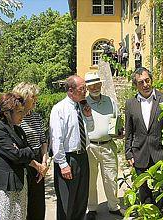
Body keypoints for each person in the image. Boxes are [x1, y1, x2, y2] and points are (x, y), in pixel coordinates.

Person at [125, 67, 163, 204]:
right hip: (140, 153)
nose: (145, 85)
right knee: (144, 193)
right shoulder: (130, 104)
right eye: (141, 82)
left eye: (147, 80)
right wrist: (128, 153)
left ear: (152, 80)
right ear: (135, 85)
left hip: (161, 153)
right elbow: (129, 131)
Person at [0, 93, 46, 220]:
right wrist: (22, 152)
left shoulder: (19, 130)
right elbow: (16, 155)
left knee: (20, 216)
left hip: (20, 183)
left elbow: (27, 151)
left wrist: (22, 151)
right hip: (5, 186)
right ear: (7, 113)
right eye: (19, 112)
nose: (23, 114)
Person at [49, 75, 94, 220]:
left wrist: (88, 116)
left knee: (81, 200)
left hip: (82, 157)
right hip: (68, 159)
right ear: (70, 90)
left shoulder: (82, 106)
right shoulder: (59, 109)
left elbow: (90, 130)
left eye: (85, 88)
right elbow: (57, 139)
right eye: (82, 89)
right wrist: (62, 164)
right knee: (67, 202)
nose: (85, 92)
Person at [85, 72, 124, 220]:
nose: (94, 87)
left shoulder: (110, 101)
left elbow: (117, 120)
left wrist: (120, 131)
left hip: (108, 145)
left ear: (101, 84)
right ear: (87, 87)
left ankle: (114, 206)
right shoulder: (83, 104)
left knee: (111, 178)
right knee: (90, 180)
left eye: (97, 84)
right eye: (91, 85)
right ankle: (92, 208)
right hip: (90, 148)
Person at [13, 82, 48, 220]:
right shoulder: (15, 118)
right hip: (23, 164)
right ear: (24, 97)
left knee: (38, 204)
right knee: (23, 205)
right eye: (33, 96)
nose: (36, 99)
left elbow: (43, 141)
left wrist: (44, 162)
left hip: (39, 162)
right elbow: (16, 148)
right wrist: (36, 164)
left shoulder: (36, 116)